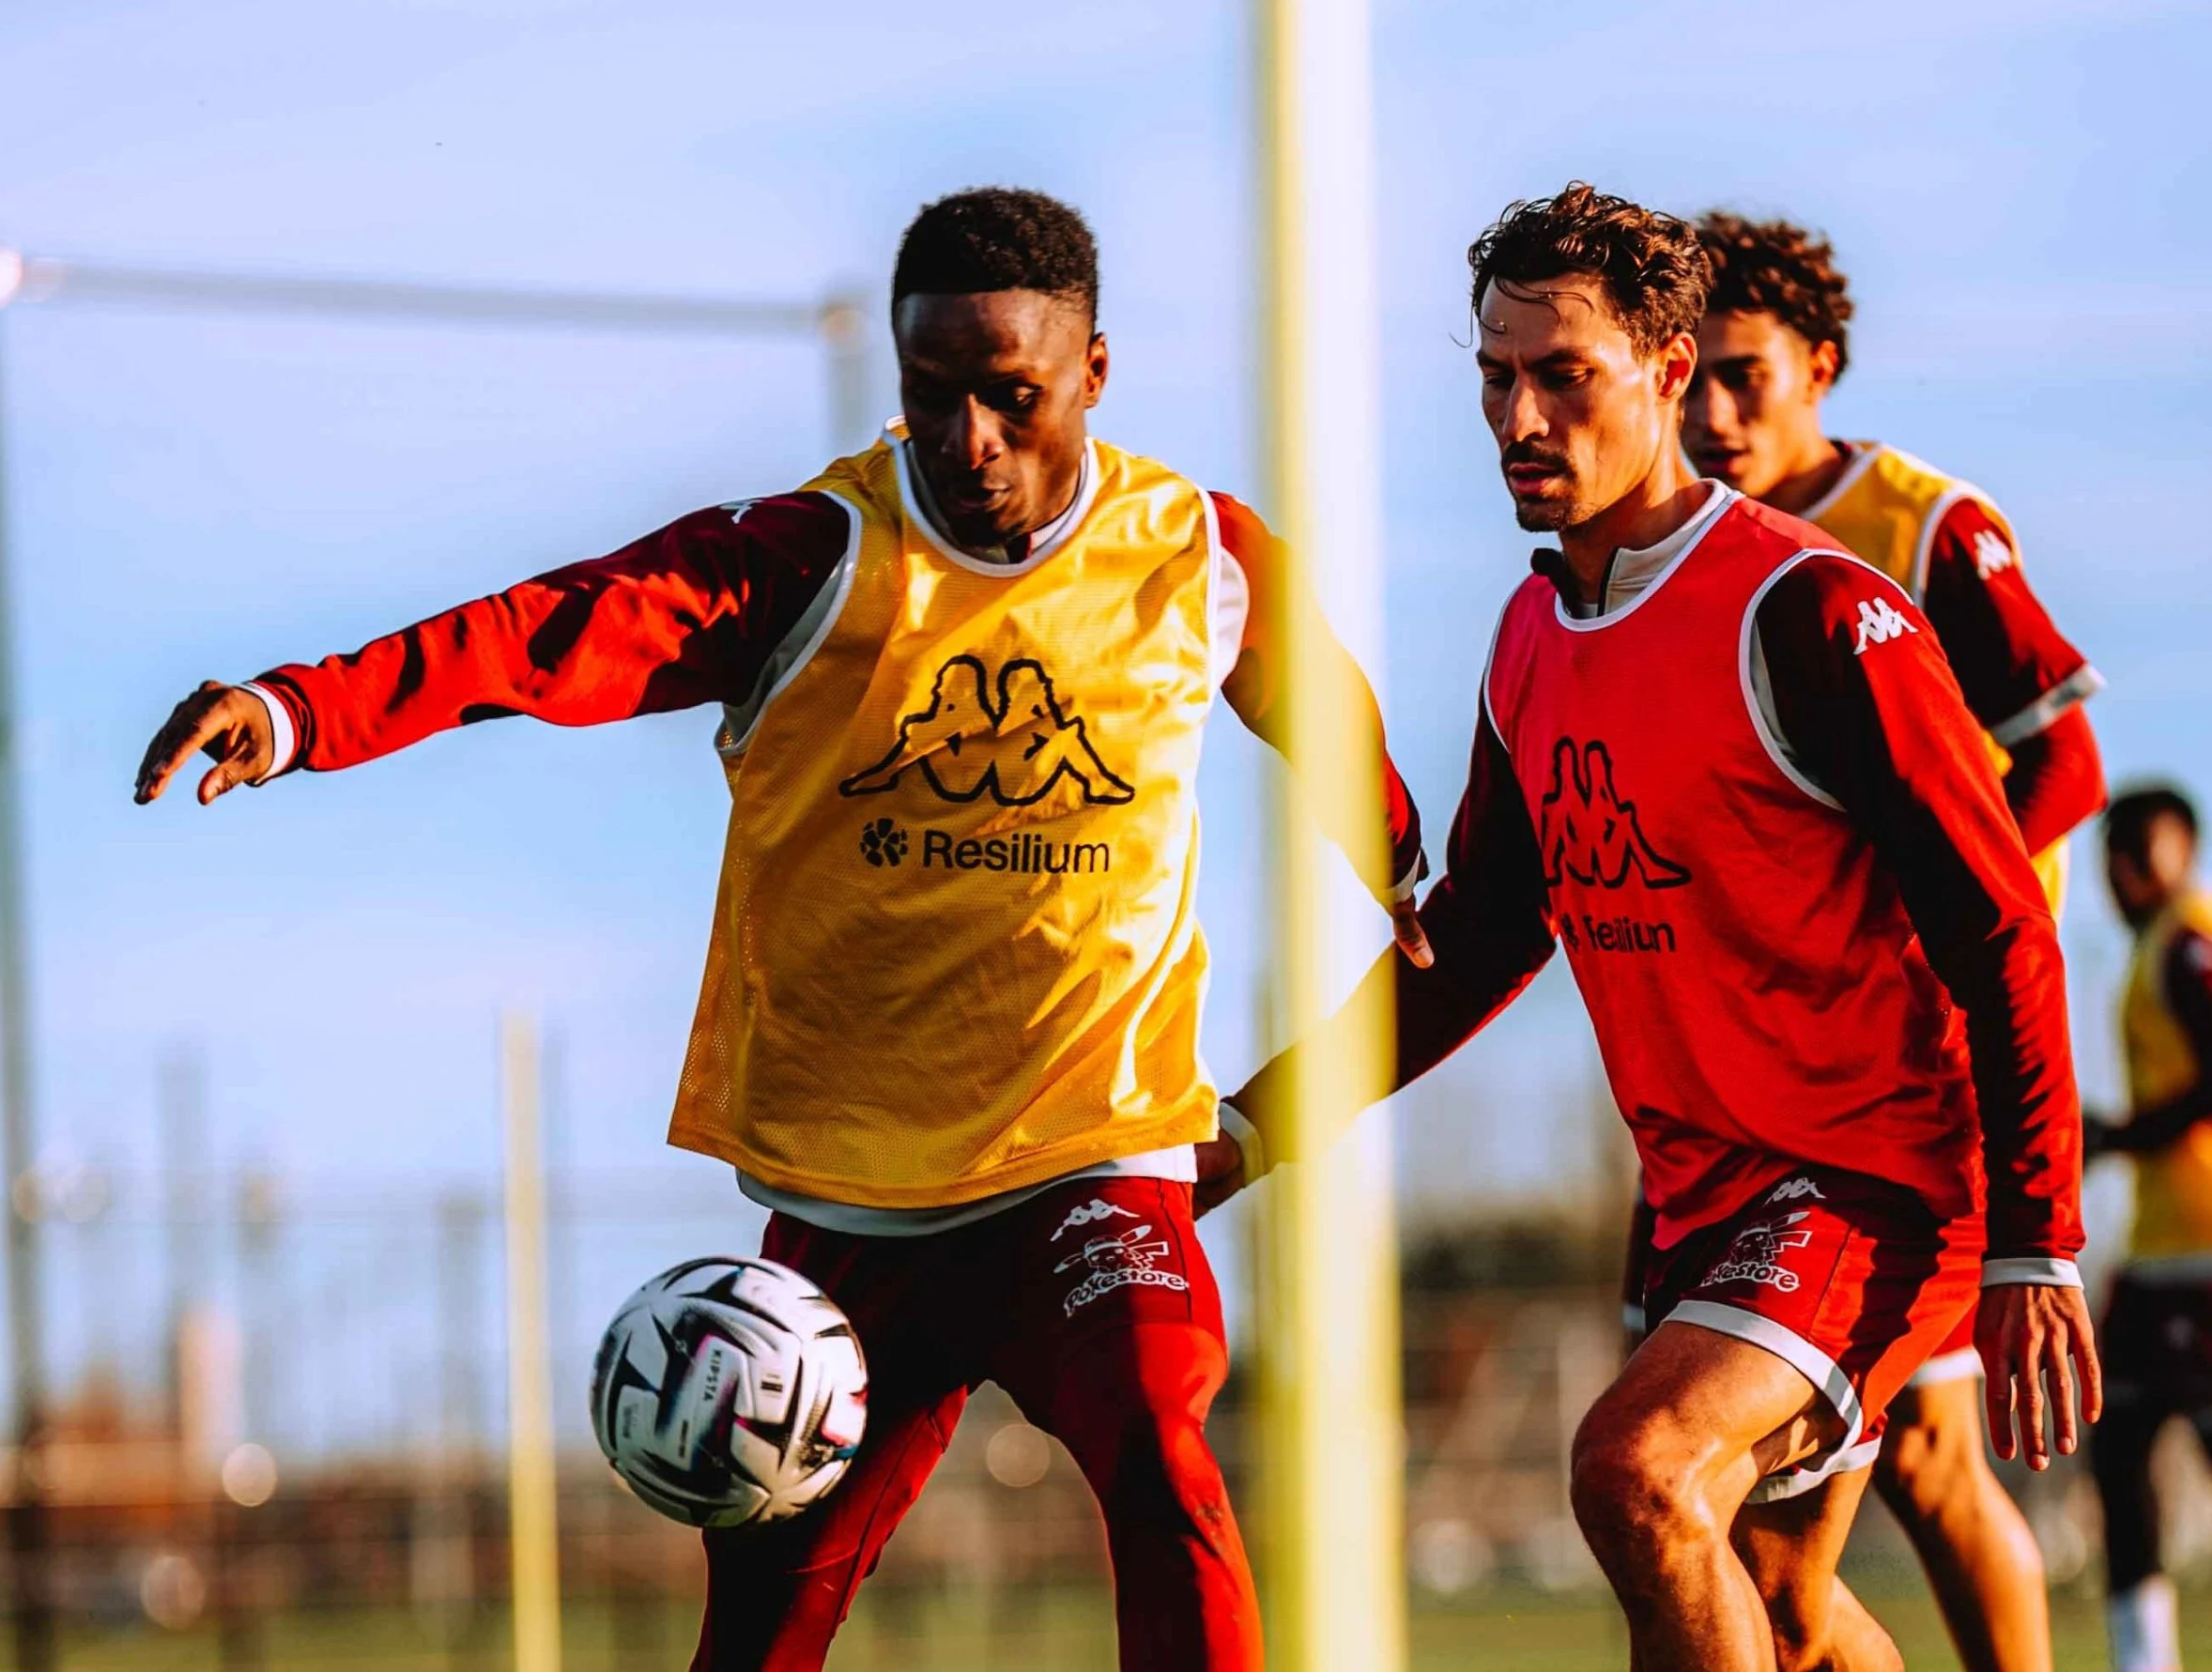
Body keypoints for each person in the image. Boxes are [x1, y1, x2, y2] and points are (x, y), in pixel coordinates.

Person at [131, 187, 1425, 1672]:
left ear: (1096, 373)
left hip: (1087, 1151)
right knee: (761, 1627)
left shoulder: (1198, 557)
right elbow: (541, 633)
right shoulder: (810, 560)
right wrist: (305, 711)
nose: (970, 443)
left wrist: (1389, 855)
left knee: (1159, 1435)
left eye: (1013, 399)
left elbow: (1317, 705)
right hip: (853, 1201)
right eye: (932, 398)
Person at [1208, 183, 2097, 1670]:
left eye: (1566, 375)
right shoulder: (1527, 635)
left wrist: (2038, 1241)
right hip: (1702, 1199)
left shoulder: (1814, 615)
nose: (1521, 417)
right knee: (1788, 1611)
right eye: (1496, 376)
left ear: (1670, 371)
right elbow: (1483, 939)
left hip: (1870, 1183)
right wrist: (1253, 1122)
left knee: (1637, 1468)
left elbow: (2004, 925)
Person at [1667, 211, 2109, 1672]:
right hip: (1773, 1062)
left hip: (1927, 1062)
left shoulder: (1923, 531)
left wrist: (1923, 902)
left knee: (1897, 1472)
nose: (1715, 414)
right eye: (1693, 379)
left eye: (1747, 376)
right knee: (1767, 1517)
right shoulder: (1685, 549)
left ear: (1822, 369)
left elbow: (2068, 763)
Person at [2088, 785, 2212, 1672]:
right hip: (2160, 1251)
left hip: (2206, 1253)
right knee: (2118, 1446)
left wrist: (2118, 1135)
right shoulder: (2148, 952)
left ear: (2182, 850)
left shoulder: (2189, 944)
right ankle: (2145, 1659)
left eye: (2140, 849)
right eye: (2115, 853)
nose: (2124, 871)